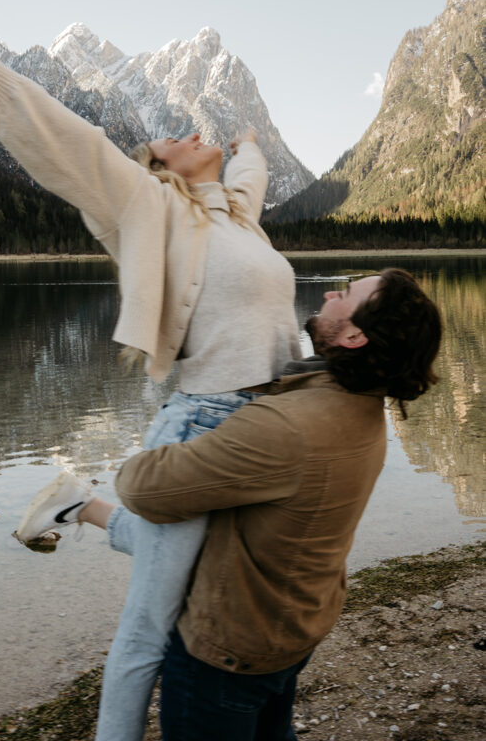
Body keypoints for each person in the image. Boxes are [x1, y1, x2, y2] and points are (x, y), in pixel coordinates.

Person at [0, 21, 302, 741]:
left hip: (270, 425)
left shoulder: (241, 219)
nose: (184, 130)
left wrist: (247, 147)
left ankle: (78, 506)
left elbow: (249, 177)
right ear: (162, 168)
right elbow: (72, 145)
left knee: (219, 579)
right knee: (151, 623)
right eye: (171, 139)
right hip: (204, 426)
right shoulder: (148, 207)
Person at [106, 268, 442, 741]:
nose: (329, 292)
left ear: (353, 336)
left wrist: (186, 425)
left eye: (345, 294)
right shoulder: (363, 405)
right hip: (290, 630)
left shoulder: (288, 427)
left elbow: (141, 488)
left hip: (229, 651)